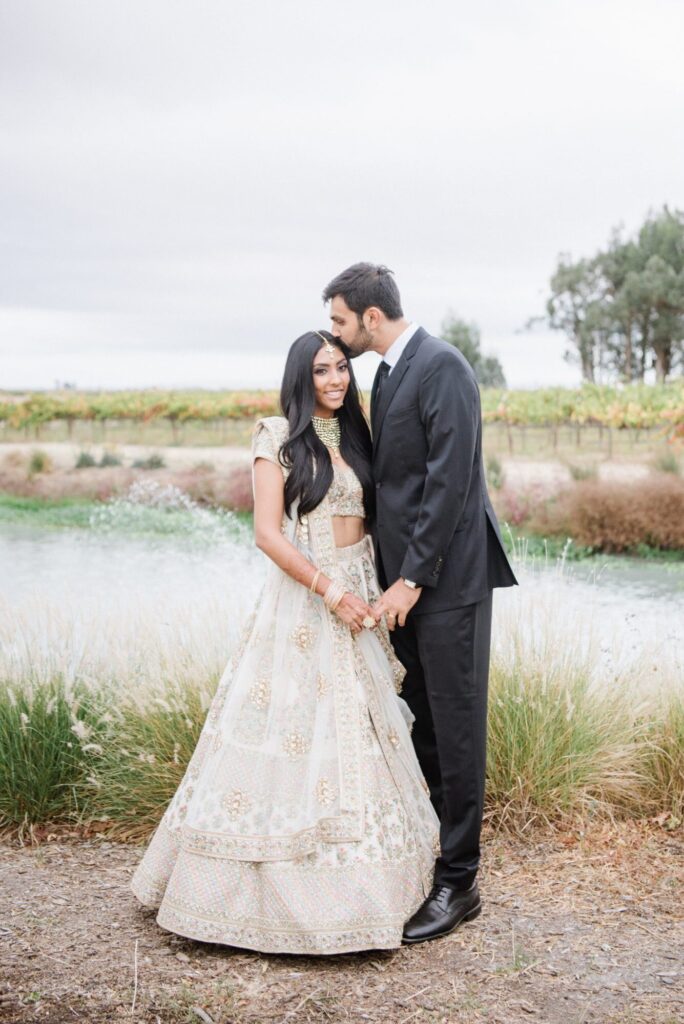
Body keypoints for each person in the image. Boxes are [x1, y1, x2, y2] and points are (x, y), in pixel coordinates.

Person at [130, 330, 439, 954]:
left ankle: (374, 888)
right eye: (322, 371)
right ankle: (257, 894)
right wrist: (331, 591)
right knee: (293, 728)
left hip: (362, 591)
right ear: (300, 376)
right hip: (309, 596)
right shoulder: (277, 436)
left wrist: (381, 590)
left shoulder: (357, 437)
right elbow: (268, 535)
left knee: (363, 729)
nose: (335, 380)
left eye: (342, 369)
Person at [322, 264, 518, 944]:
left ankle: (460, 883)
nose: (336, 333)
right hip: (408, 582)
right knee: (426, 721)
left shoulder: (445, 368)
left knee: (457, 728)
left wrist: (411, 579)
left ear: (371, 318)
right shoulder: (388, 372)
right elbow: (397, 482)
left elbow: (450, 483)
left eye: (340, 321)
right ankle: (432, 856)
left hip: (449, 582)